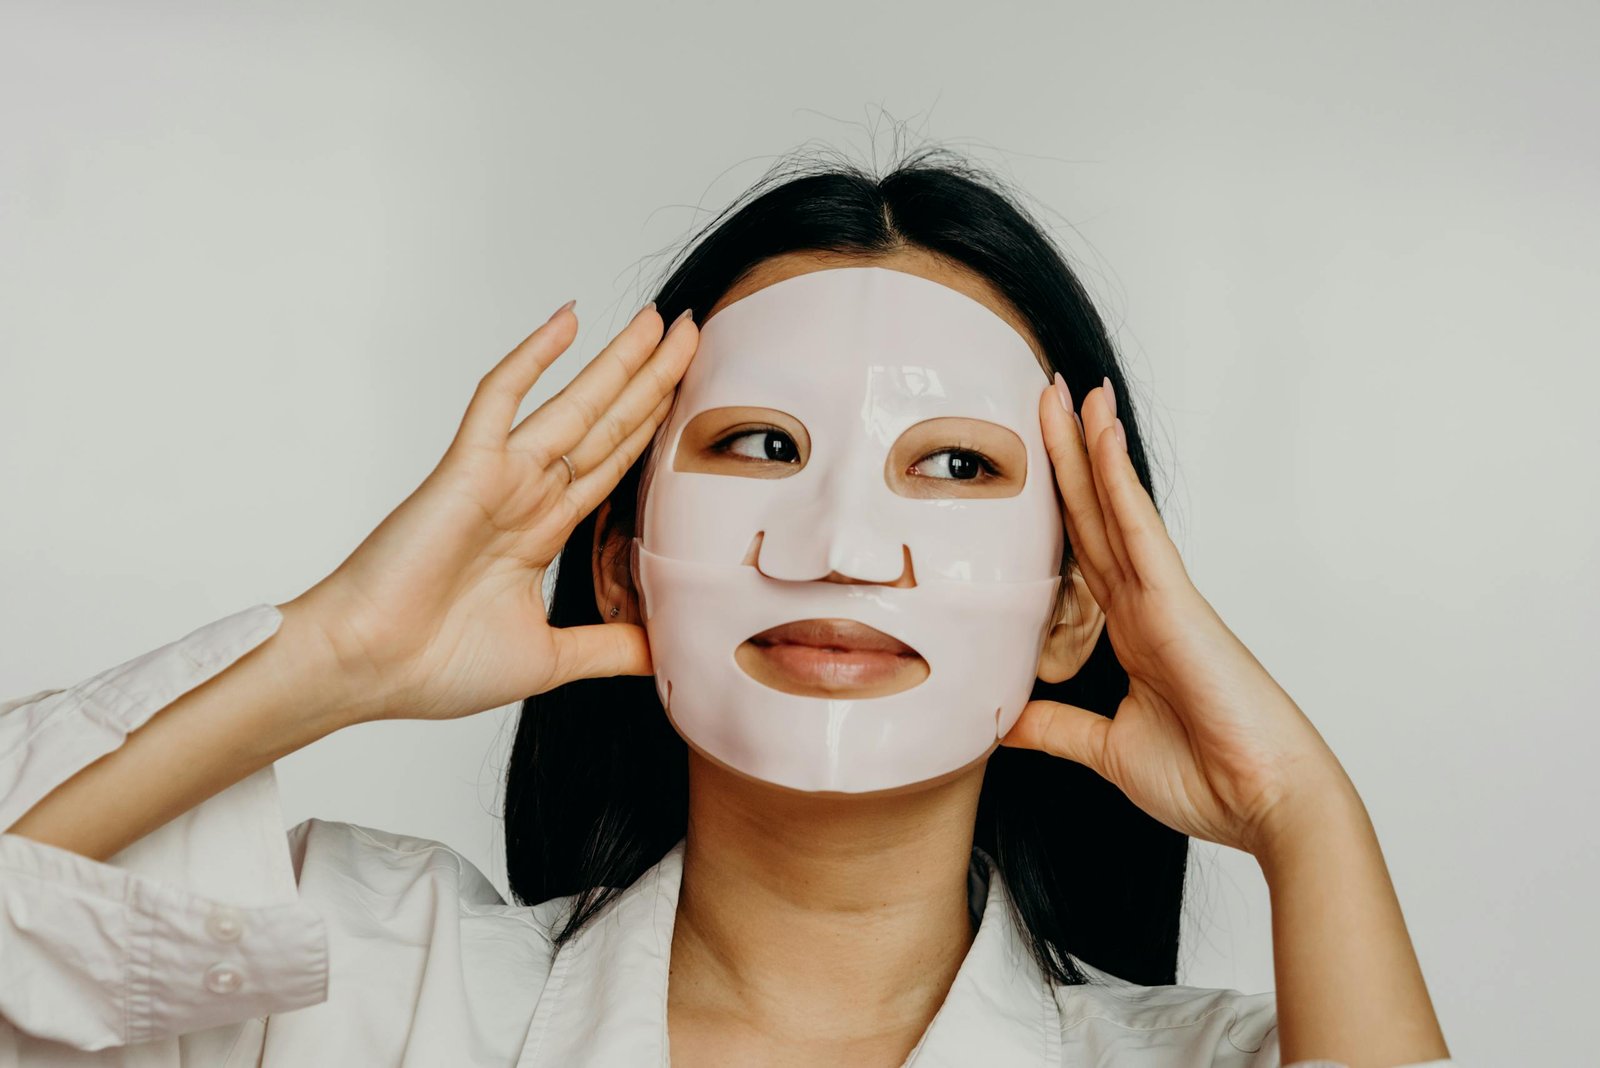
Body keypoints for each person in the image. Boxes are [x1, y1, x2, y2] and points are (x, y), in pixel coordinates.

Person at [0, 149, 1456, 1067]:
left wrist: (1304, 816)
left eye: (952, 466)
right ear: (624, 556)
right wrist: (329, 655)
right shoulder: (350, 979)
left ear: (1074, 613)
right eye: (761, 446)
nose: (841, 545)